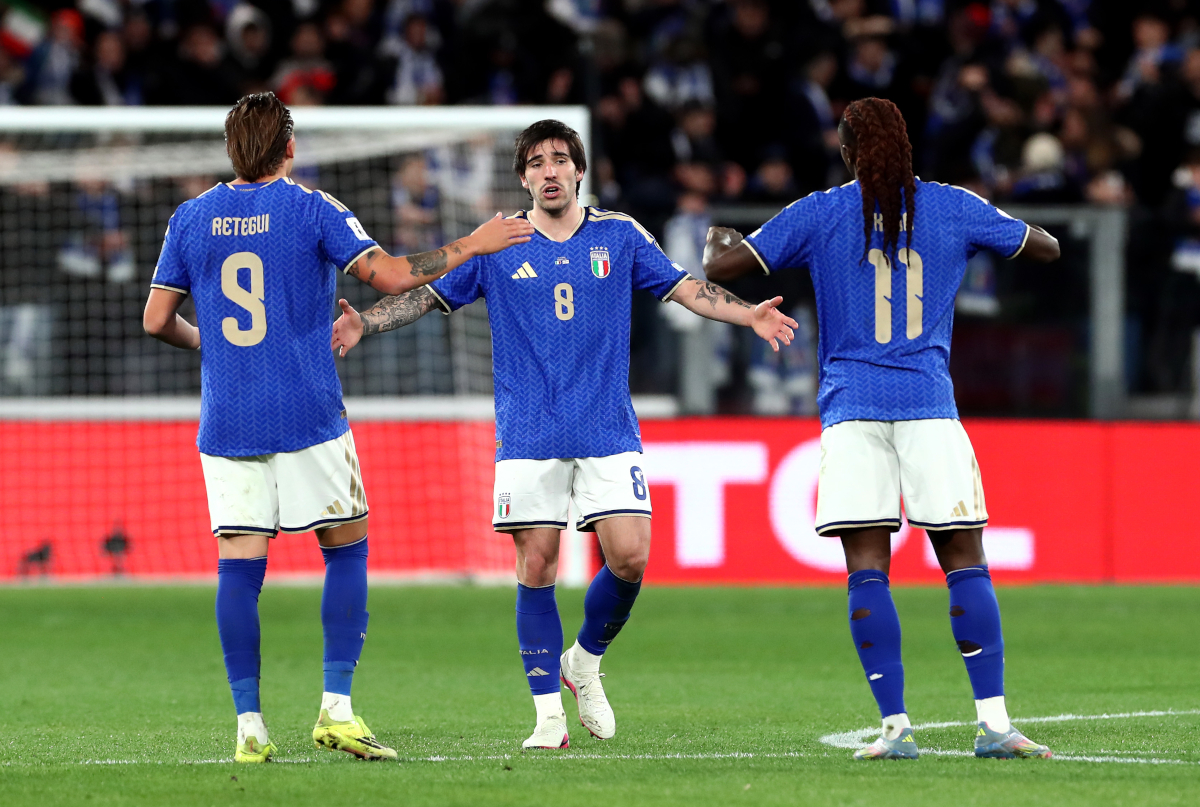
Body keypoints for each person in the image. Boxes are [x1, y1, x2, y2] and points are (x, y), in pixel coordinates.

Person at [330, 119, 796, 749]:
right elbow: (428, 298)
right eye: (536, 162)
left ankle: (585, 660)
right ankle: (548, 715)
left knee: (631, 555)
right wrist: (368, 322)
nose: (549, 170)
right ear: (522, 176)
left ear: (579, 170)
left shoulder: (620, 234)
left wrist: (748, 313)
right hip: (528, 431)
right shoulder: (499, 244)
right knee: (538, 565)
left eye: (560, 159)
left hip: (607, 426)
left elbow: (687, 287)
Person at [142, 92, 532, 763]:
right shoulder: (312, 207)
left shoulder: (191, 217)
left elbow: (154, 319)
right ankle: (336, 709)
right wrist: (476, 241)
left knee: (239, 568)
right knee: (346, 546)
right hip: (307, 411)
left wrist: (213, 345)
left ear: (232, 148)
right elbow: (392, 275)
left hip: (227, 416)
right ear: (288, 147)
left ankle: (249, 727)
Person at [703, 97, 1061, 761]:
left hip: (851, 407)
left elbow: (723, 270)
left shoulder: (820, 211)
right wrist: (998, 225)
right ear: (907, 147)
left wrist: (719, 240)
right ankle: (995, 723)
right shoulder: (952, 204)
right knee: (963, 559)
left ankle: (896, 727)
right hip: (929, 402)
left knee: (868, 569)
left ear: (846, 153)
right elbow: (1044, 246)